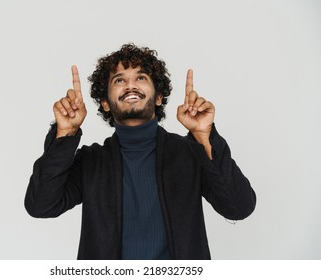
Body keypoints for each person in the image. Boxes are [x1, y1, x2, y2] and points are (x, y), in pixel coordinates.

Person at [24, 43, 256, 260]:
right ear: (105, 103)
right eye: (119, 80)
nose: (130, 85)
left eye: (141, 77)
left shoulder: (189, 153)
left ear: (158, 97)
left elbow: (239, 207)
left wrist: (204, 138)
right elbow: (40, 205)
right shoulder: (90, 161)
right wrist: (65, 133)